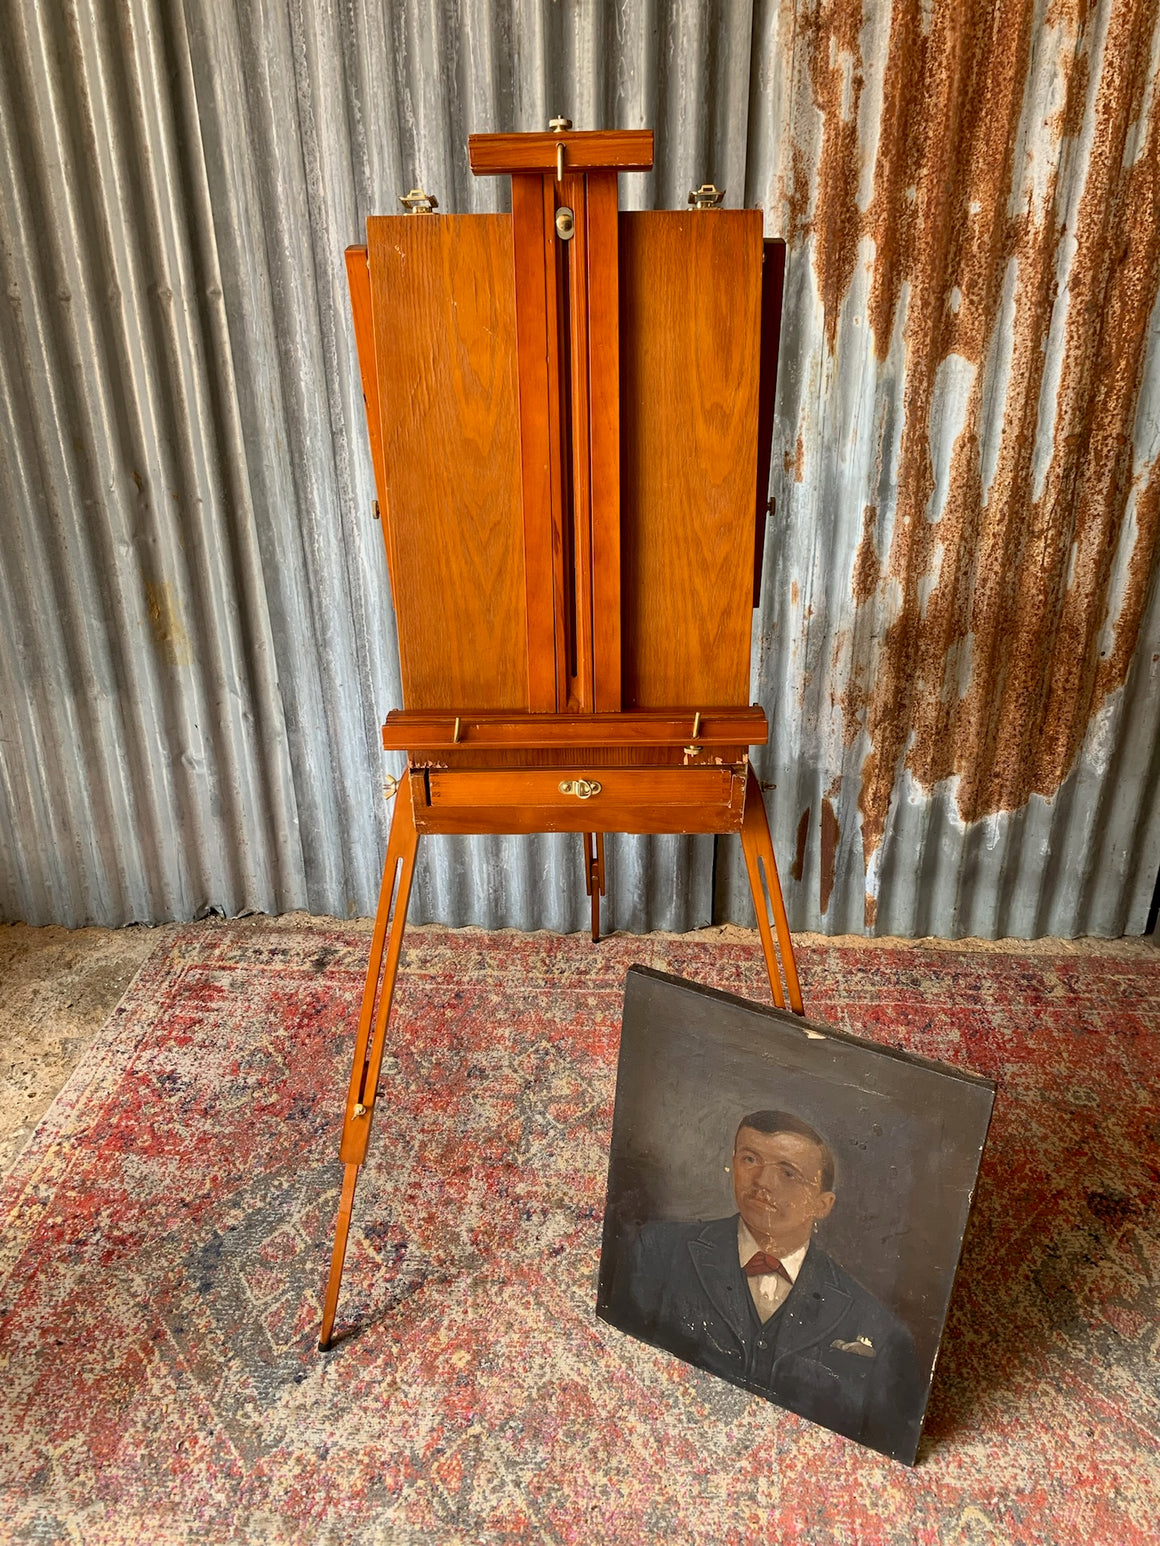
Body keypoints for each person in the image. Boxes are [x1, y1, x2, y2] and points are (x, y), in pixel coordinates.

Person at [609, 1109, 923, 1461]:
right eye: (750, 1159)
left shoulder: (878, 1327)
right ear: (732, 1164)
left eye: (789, 1173)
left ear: (823, 1205)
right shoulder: (659, 1251)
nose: (763, 1182)